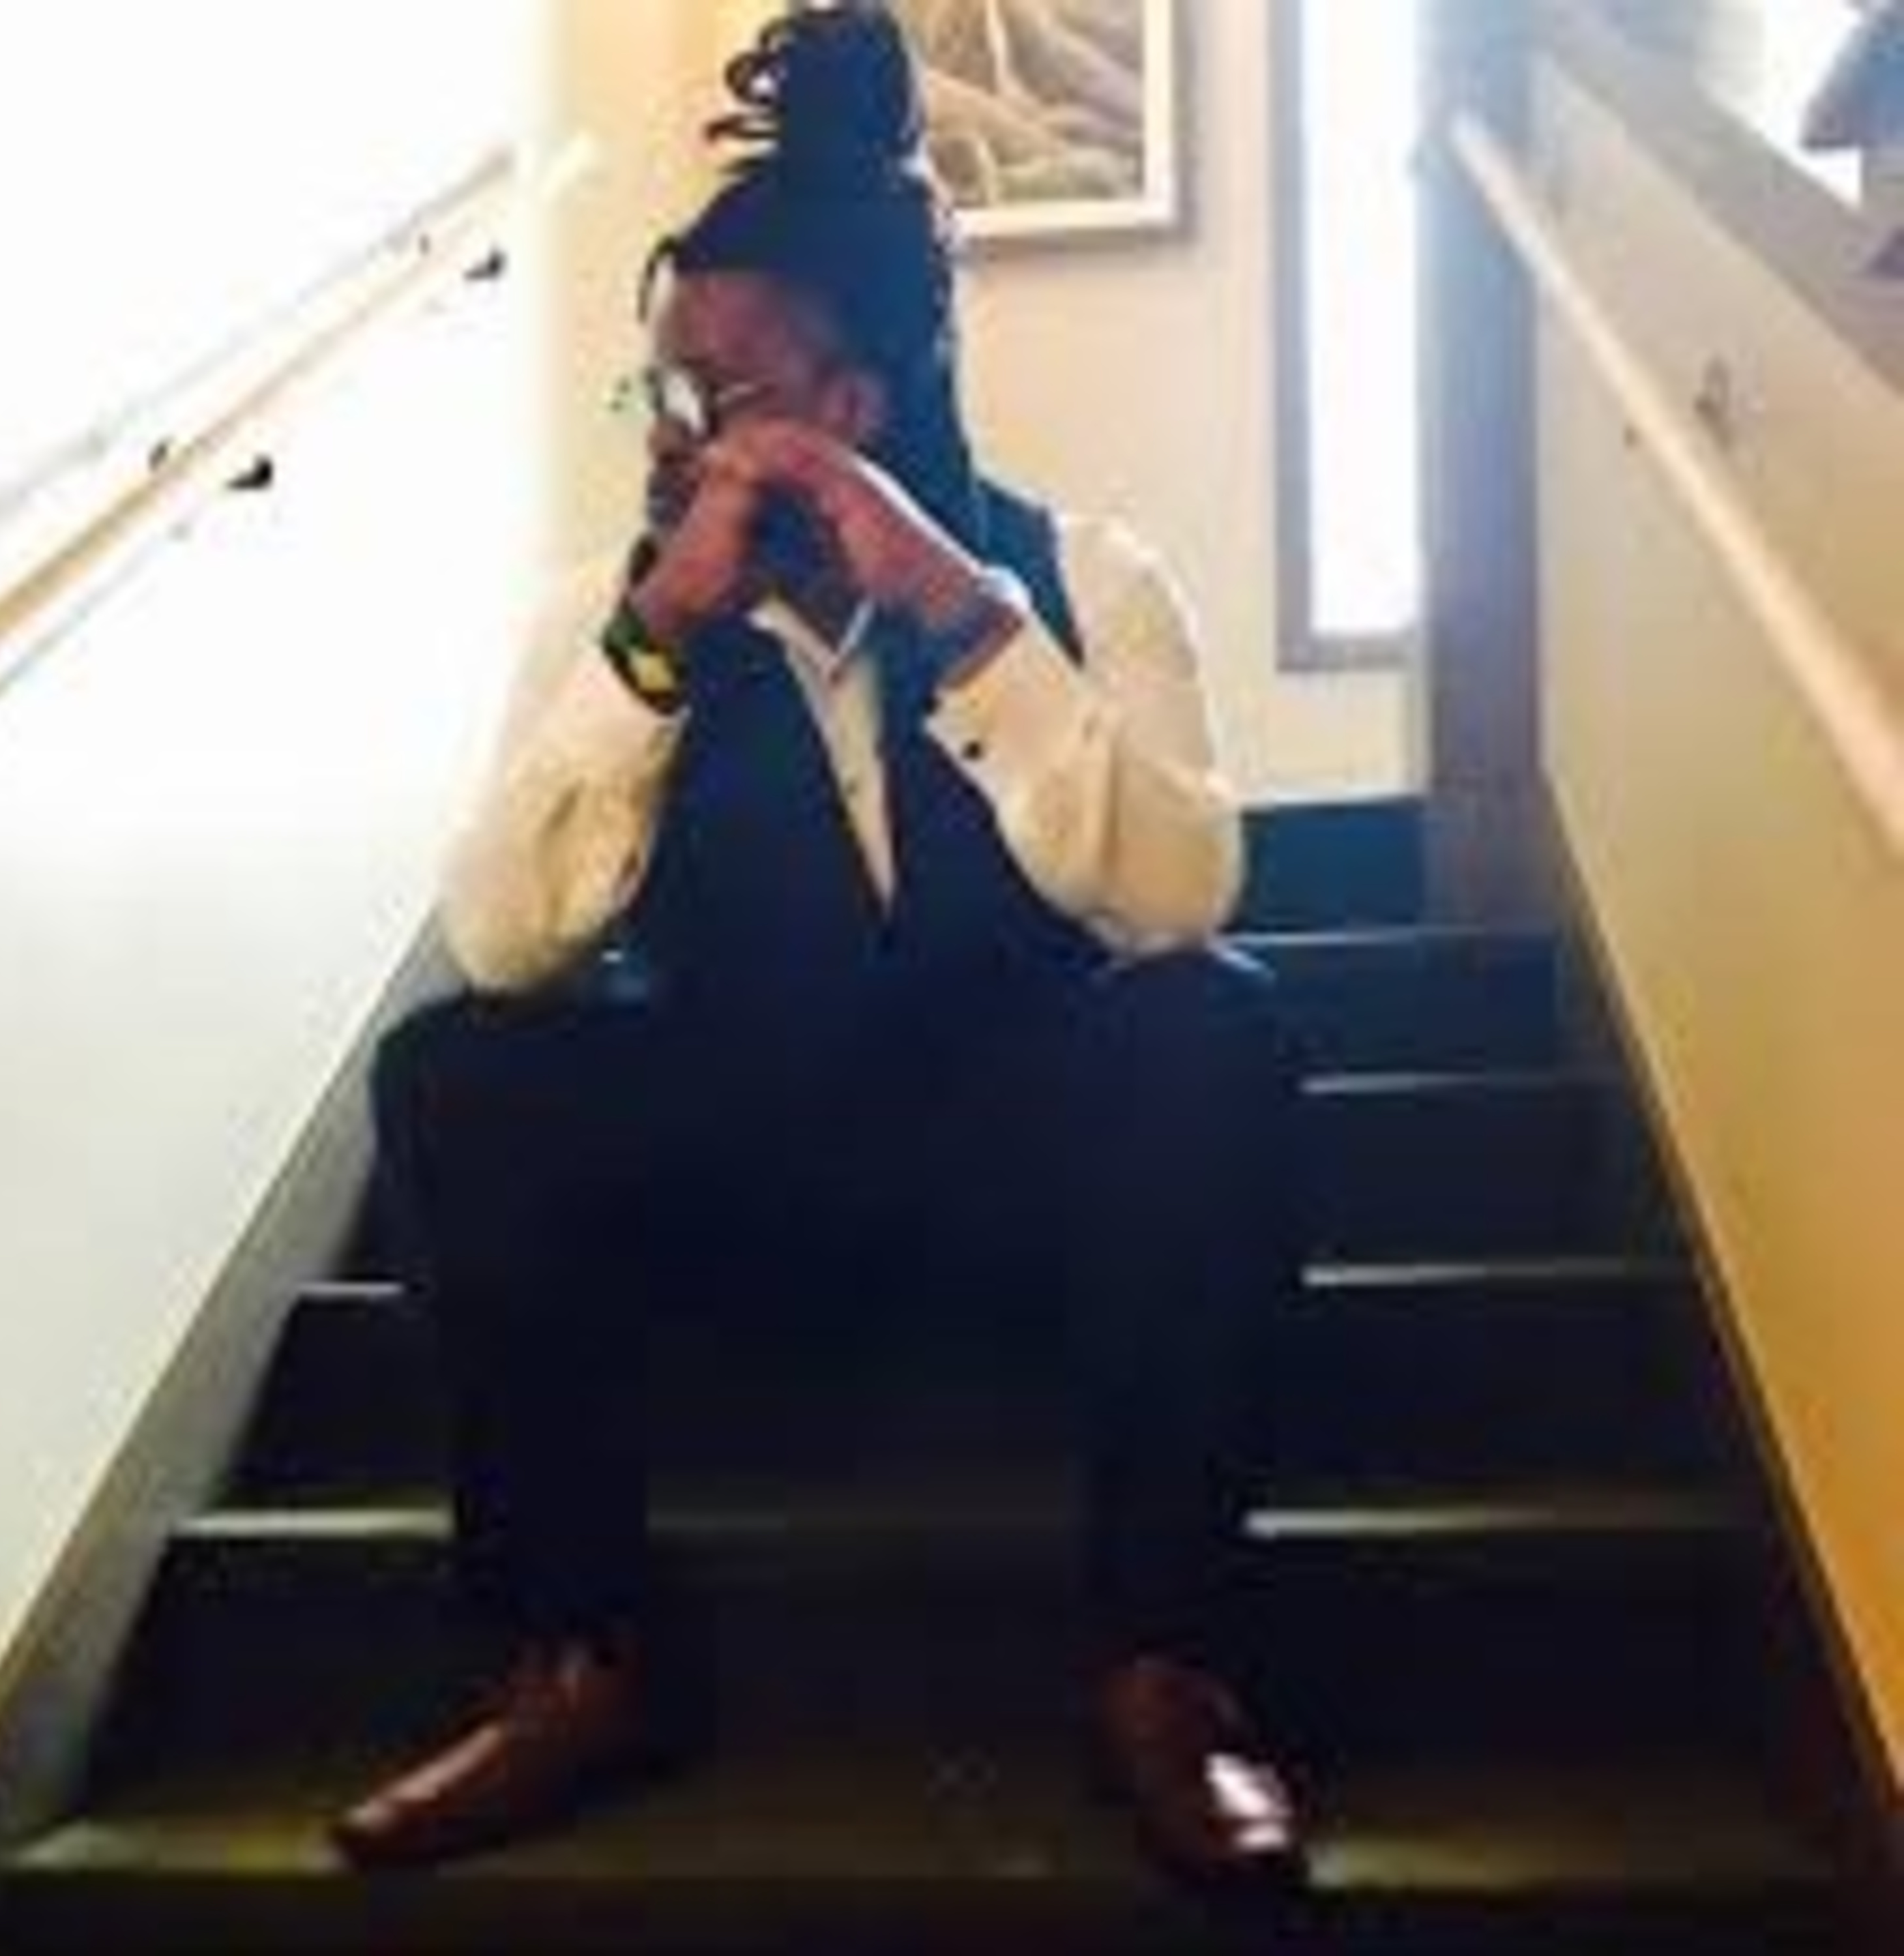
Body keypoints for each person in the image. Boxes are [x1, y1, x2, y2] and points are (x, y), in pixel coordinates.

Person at [331, 1, 1306, 1890]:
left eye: (720, 395)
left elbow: (1184, 897)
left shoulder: (1086, 579)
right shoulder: (604, 618)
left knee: (1221, 1029)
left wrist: (963, 613)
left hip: (1015, 1177)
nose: (673, 437)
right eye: (659, 394)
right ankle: (582, 1657)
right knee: (454, 1072)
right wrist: (651, 651)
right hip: (743, 1180)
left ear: (857, 406)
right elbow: (504, 940)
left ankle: (1166, 1672)